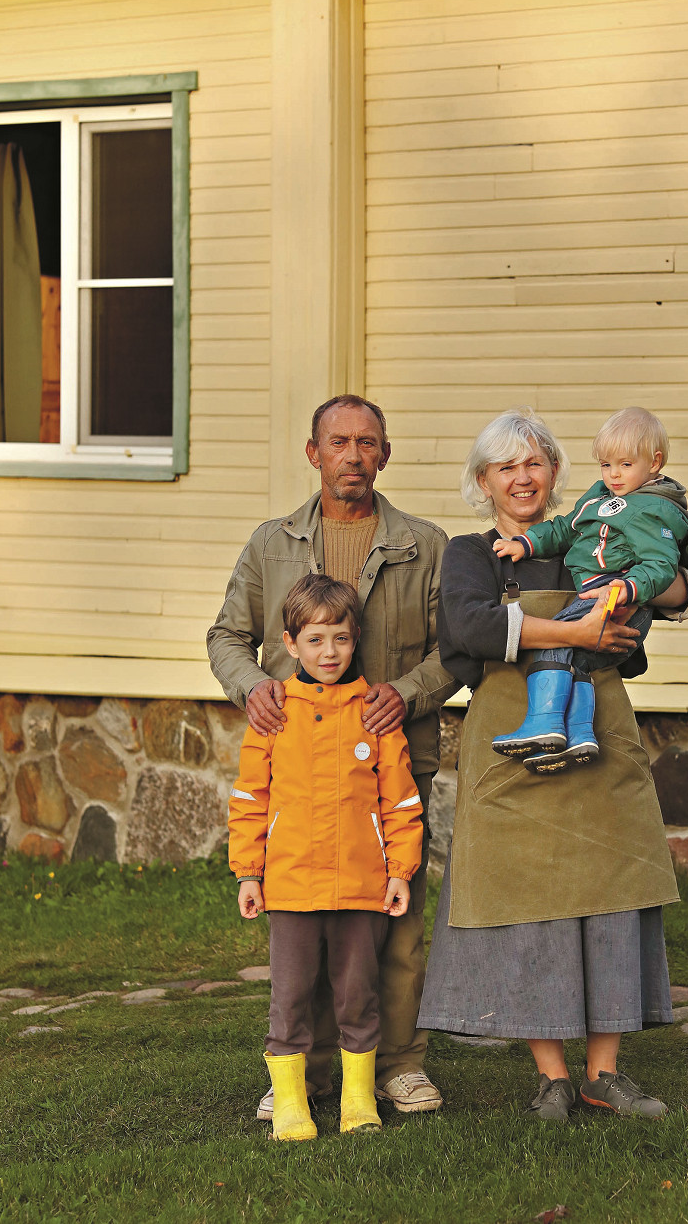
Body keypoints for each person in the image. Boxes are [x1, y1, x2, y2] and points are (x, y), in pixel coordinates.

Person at [418, 408, 688, 1123]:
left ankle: (605, 1073)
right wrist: (581, 631)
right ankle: (552, 1076)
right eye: (505, 467)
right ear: (483, 481)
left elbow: (662, 597)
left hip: (598, 733)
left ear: (554, 472)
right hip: (509, 742)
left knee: (610, 896)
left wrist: (664, 584)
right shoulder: (470, 552)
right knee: (524, 906)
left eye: (534, 463)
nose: (522, 478)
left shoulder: (585, 533)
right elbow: (472, 626)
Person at [208, 394, 458, 1120]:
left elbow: (458, 648)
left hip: (393, 762)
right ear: (313, 453)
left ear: (385, 454)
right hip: (297, 766)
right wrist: (254, 686)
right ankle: (306, 1073)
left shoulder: (424, 545)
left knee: (393, 924)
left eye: (367, 442)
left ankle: (399, 1065)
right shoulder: (271, 544)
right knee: (304, 931)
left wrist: (405, 693)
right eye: (339, 442)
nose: (354, 454)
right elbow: (226, 635)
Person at [229, 574, 424, 1139]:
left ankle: (357, 1100)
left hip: (361, 885)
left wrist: (400, 872)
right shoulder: (272, 712)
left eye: (340, 638)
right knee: (290, 997)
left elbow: (401, 801)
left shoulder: (374, 713)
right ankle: (291, 1102)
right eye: (314, 640)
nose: (329, 652)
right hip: (289, 885)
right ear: (291, 645)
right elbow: (250, 799)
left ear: (355, 638)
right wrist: (248, 873)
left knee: (358, 996)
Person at [491, 406, 688, 773]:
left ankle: (544, 724)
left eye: (625, 464)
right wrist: (526, 543)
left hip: (614, 597)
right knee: (576, 662)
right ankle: (577, 735)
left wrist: (627, 588)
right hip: (599, 593)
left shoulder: (655, 510)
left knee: (556, 646)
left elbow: (662, 566)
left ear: (654, 462)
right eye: (606, 465)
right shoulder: (601, 497)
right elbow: (567, 528)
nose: (614, 474)